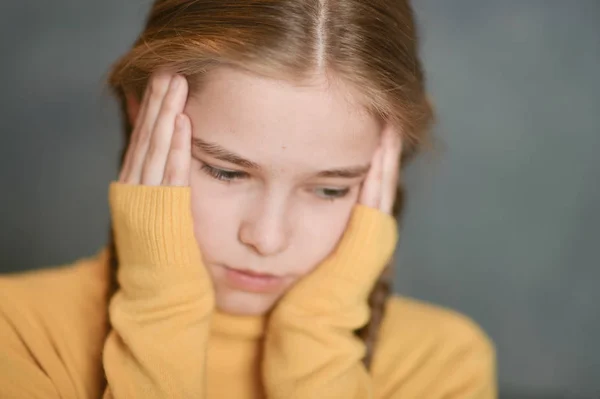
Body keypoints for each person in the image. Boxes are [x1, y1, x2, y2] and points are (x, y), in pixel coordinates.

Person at [0, 0, 497, 398]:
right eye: (226, 171)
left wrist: (319, 340)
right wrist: (161, 310)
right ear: (140, 113)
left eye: (330, 189)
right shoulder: (18, 334)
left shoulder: (440, 366)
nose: (266, 237)